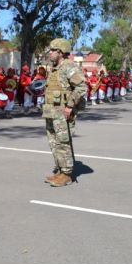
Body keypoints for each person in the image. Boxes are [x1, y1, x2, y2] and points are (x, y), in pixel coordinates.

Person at [42, 38, 86, 187]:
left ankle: (66, 174)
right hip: (51, 112)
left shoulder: (69, 67)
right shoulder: (56, 68)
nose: (50, 53)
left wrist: (69, 106)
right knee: (54, 143)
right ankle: (60, 170)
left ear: (60, 52)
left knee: (63, 142)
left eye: (53, 51)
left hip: (62, 112)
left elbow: (81, 87)